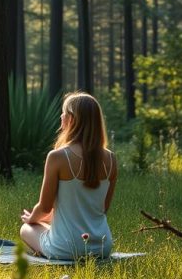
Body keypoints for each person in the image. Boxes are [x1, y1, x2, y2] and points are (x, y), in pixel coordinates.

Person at [19, 92, 117, 260]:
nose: (61, 117)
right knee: (47, 223)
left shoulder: (57, 156)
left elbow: (44, 207)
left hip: (66, 249)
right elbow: (101, 209)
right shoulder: (111, 159)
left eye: (63, 113)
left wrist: (31, 220)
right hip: (102, 247)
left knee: (26, 230)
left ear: (71, 119)